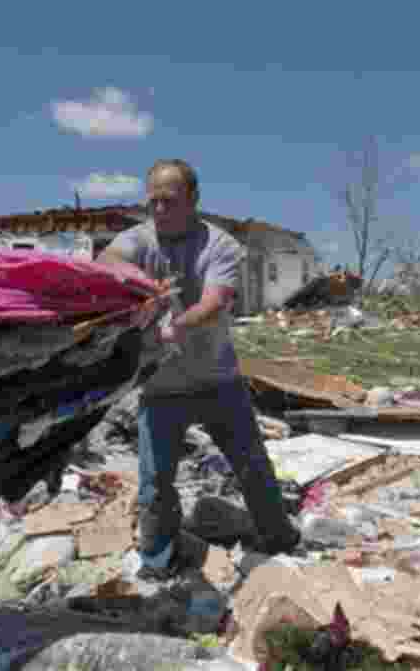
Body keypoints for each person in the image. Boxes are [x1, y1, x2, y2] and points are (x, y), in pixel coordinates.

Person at [97, 159, 301, 579]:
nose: (157, 210)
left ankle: (280, 541)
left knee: (252, 466)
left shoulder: (220, 245)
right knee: (155, 483)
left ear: (193, 200)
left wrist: (176, 324)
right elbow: (107, 259)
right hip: (161, 387)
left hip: (218, 381)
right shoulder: (138, 239)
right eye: (151, 201)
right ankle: (157, 562)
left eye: (168, 201)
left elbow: (213, 303)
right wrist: (142, 283)